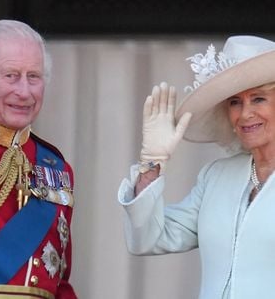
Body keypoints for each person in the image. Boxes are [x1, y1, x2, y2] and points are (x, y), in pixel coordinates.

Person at [118, 35, 275, 298]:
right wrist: (152, 161)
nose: (245, 113)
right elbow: (149, 238)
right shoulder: (217, 176)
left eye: (258, 99)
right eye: (235, 102)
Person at [0, 20, 77, 298]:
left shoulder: (55, 168)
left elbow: (58, 284)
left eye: (34, 77)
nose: (24, 91)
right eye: (11, 75)